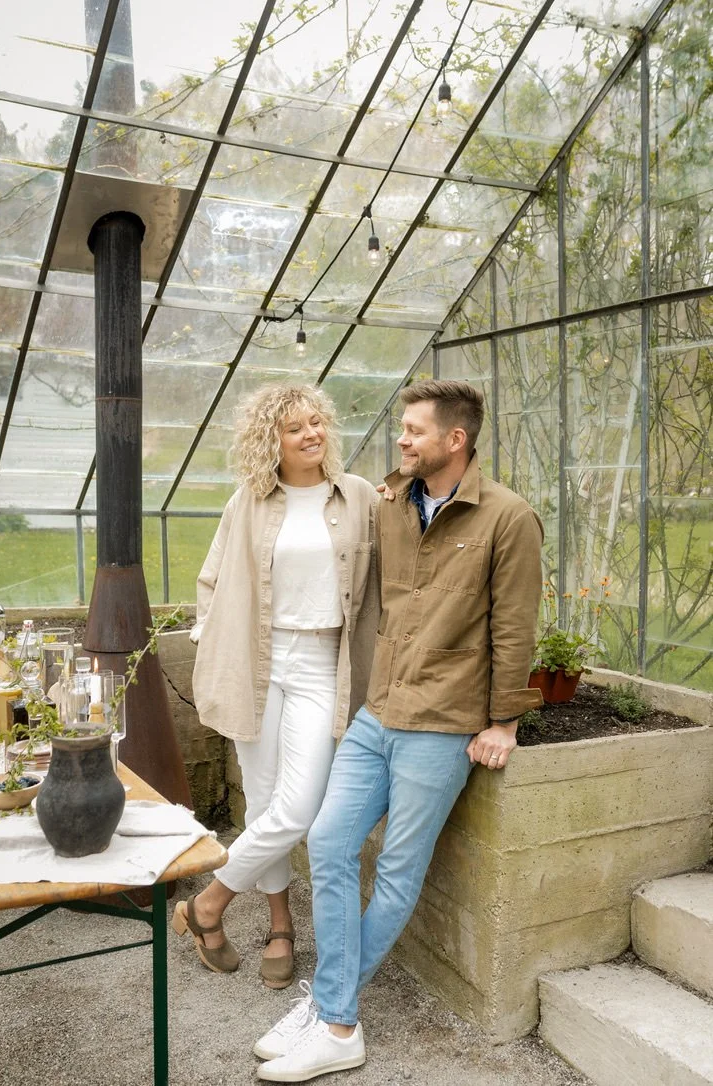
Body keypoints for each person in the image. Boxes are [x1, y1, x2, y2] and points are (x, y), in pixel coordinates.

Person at [253, 378, 544, 1080]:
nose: (400, 440)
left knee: (397, 871)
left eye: (414, 430)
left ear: (456, 440)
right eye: (402, 429)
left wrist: (503, 721)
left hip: (443, 725)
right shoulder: (392, 506)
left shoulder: (509, 519)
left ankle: (336, 1021)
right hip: (378, 711)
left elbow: (515, 627)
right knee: (325, 841)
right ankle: (331, 1005)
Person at [173, 384, 378, 990]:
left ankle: (206, 905)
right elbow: (213, 579)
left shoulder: (360, 496)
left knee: (300, 807)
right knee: (263, 804)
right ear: (273, 440)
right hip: (257, 660)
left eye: (317, 422)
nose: (311, 434)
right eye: (295, 428)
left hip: (321, 661)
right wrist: (215, 638)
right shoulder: (249, 502)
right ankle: (281, 926)